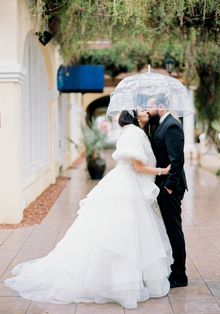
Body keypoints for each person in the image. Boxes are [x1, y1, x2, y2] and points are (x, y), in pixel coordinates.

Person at [5, 110, 173, 310]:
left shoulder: (135, 131)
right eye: (143, 110)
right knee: (123, 233)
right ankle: (119, 283)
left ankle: (124, 278)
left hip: (127, 184)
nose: (147, 111)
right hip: (127, 186)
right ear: (135, 116)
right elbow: (137, 166)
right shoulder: (133, 134)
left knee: (125, 233)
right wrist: (163, 170)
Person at [147, 96, 188, 289]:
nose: (148, 110)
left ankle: (180, 274)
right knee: (170, 229)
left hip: (170, 187)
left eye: (151, 106)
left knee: (174, 230)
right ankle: (175, 268)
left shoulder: (172, 126)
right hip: (164, 185)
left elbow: (177, 160)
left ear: (161, 107)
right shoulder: (161, 125)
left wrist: (169, 186)